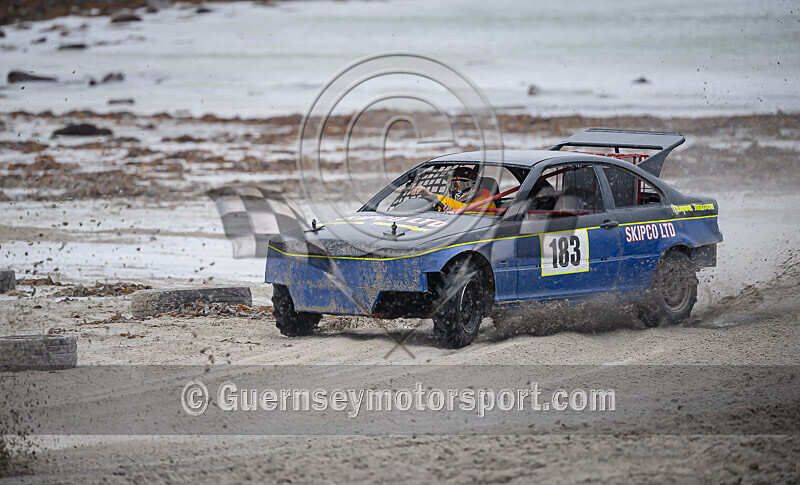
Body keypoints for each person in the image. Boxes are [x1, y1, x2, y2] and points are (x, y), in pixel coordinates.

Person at [408, 166, 496, 211]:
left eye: (459, 185)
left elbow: (465, 209)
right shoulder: (456, 202)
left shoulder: (486, 201)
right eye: (453, 186)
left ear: (473, 185)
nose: (455, 189)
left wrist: (430, 195)